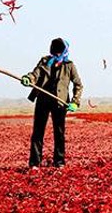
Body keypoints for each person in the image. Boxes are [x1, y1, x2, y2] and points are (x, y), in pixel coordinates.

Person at [21, 38, 84, 169]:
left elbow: (78, 85)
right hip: (43, 100)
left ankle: (59, 162)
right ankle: (34, 163)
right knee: (38, 132)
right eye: (55, 50)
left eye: (59, 50)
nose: (57, 53)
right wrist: (28, 78)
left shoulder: (69, 65)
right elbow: (35, 74)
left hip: (60, 103)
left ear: (64, 51)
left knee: (59, 133)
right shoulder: (45, 61)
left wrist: (75, 102)